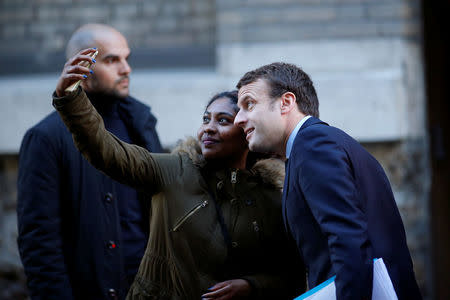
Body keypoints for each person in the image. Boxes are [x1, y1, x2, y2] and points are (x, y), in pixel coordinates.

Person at [51, 48, 305, 299]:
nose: (209, 129)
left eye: (223, 121)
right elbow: (107, 150)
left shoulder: (272, 197)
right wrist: (72, 95)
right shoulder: (175, 171)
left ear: (245, 130)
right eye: (206, 119)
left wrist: (252, 286)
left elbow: (292, 275)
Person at [233, 62, 422, 300]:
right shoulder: (311, 146)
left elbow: (348, 240)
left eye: (249, 104)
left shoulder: (313, 144)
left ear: (286, 103)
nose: (238, 119)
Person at [17, 24, 163, 300]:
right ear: (81, 67)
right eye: (111, 60)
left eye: (126, 58)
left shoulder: (141, 125)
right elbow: (40, 244)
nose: (126, 69)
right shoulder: (45, 139)